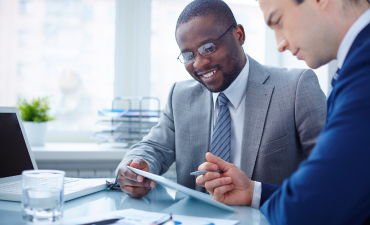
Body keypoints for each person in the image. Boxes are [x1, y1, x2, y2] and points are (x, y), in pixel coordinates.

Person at [115, 0, 326, 199]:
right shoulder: (180, 95)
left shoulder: (296, 88)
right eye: (188, 55)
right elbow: (153, 147)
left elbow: (331, 171)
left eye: (209, 48)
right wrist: (135, 167)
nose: (199, 64)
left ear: (239, 35)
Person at [197, 0, 370, 224]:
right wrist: (253, 192)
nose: (280, 44)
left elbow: (314, 203)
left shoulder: (363, 73)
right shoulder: (355, 66)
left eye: (278, 21)